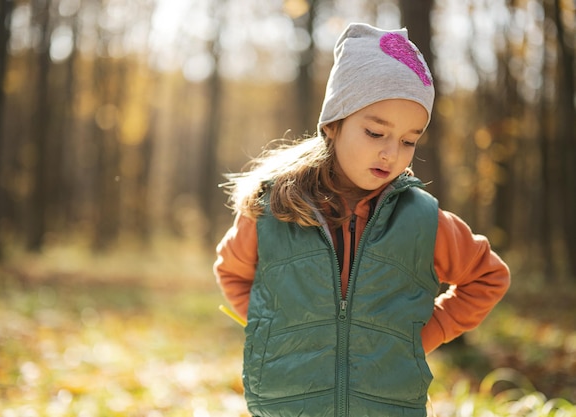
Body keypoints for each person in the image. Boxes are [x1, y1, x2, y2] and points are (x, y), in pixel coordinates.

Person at [213, 23, 510, 417]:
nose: (391, 153)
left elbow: (488, 277)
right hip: (288, 405)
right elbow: (232, 272)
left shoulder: (421, 217)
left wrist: (422, 336)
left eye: (409, 141)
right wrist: (273, 333)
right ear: (333, 125)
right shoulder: (273, 208)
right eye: (375, 132)